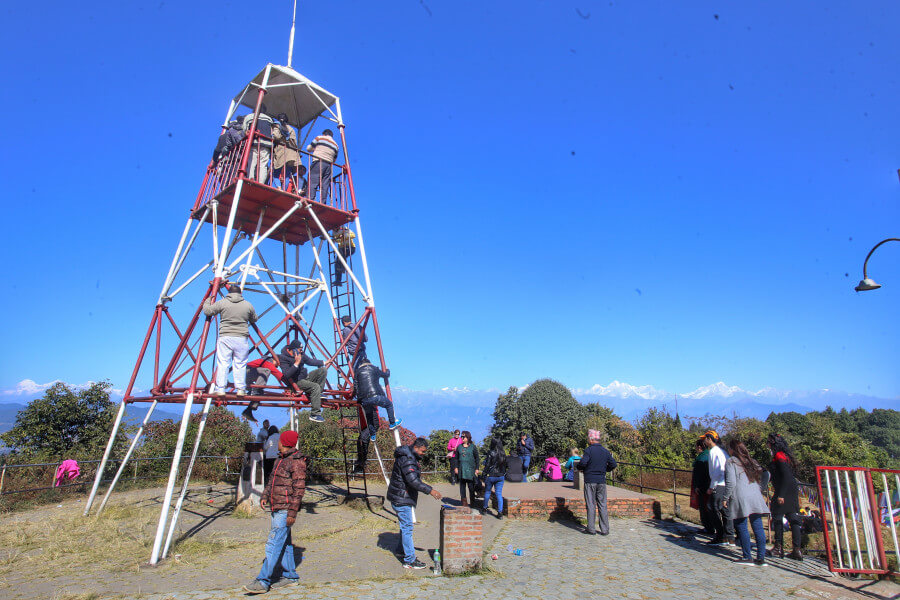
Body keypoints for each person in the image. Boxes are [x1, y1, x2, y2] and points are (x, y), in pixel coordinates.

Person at [243, 429, 307, 594]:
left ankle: (263, 580)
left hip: (285, 509)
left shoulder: (296, 462)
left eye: (279, 440)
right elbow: (272, 480)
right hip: (277, 505)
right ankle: (290, 576)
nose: (276, 442)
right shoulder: (281, 459)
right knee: (285, 544)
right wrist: (265, 495)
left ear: (284, 442)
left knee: (273, 544)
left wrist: (292, 513)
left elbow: (299, 490)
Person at [386, 437, 443, 569]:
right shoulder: (408, 459)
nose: (424, 454)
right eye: (423, 451)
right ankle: (410, 560)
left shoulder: (408, 456)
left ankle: (402, 551)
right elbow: (413, 481)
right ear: (416, 448)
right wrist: (431, 491)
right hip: (402, 498)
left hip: (399, 496)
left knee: (404, 526)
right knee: (407, 528)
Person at [203, 281, 258, 397]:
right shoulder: (248, 304)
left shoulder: (223, 302)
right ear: (240, 293)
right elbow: (254, 319)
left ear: (229, 293)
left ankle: (221, 388)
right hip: (241, 338)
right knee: (240, 364)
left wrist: (208, 301)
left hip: (225, 336)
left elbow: (208, 311)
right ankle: (240, 389)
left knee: (223, 363)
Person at [724, 438, 770, 566]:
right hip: (755, 495)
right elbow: (767, 474)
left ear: (732, 449)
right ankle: (761, 557)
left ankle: (747, 556)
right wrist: (761, 487)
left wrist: (725, 497)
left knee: (741, 526)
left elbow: (731, 482)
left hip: (741, 496)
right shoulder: (751, 461)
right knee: (758, 526)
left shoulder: (731, 462)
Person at [767, 433, 803, 560]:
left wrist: (781, 494)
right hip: (791, 488)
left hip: (784, 489)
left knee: (777, 517)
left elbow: (786, 476)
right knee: (793, 517)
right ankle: (796, 549)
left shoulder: (779, 456)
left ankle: (778, 547)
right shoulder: (787, 456)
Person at [577, 429, 617, 535]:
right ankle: (605, 529)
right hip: (601, 481)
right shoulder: (605, 451)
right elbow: (613, 464)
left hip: (590, 480)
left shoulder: (588, 450)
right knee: (602, 504)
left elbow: (583, 463)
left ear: (591, 439)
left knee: (591, 504)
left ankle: (591, 528)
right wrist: (605, 470)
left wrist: (581, 468)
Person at [278, 340, 329, 423]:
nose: (301, 351)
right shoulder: (283, 358)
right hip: (297, 382)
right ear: (293, 349)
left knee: (323, 370)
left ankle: (318, 393)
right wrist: (296, 363)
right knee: (315, 387)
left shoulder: (300, 353)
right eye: (299, 349)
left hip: (305, 377)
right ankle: (315, 414)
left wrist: (323, 362)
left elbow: (309, 361)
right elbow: (287, 375)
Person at [355, 359, 402, 441]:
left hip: (364, 400)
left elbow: (356, 387)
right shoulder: (374, 368)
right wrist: (387, 370)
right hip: (375, 396)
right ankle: (392, 423)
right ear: (369, 363)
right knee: (389, 405)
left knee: (369, 416)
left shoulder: (357, 372)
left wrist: (359, 399)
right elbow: (386, 375)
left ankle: (372, 435)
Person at [704, 430, 735, 546]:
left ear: (709, 439)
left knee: (712, 508)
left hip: (719, 484)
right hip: (726, 483)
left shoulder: (713, 452)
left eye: (705, 438)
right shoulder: (723, 451)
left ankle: (721, 535)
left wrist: (712, 486)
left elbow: (716, 471)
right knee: (725, 509)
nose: (704, 441)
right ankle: (729, 536)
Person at [243, 355, 283, 422]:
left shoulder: (266, 362)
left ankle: (248, 410)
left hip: (250, 375)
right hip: (248, 371)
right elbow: (278, 374)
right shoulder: (268, 362)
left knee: (260, 392)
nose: (276, 367)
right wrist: (291, 384)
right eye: (276, 365)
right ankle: (255, 391)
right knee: (266, 371)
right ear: (275, 360)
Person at [243, 105, 275, 183]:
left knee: (252, 161)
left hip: (254, 142)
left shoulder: (249, 116)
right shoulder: (269, 119)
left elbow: (244, 129)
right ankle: (261, 182)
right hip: (267, 144)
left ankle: (250, 178)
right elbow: (272, 133)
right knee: (263, 164)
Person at [304, 129, 339, 201]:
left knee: (313, 180)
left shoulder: (319, 138)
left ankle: (310, 199)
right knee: (325, 184)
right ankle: (323, 201)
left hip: (318, 161)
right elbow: (334, 159)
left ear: (324, 134)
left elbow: (309, 149)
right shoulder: (336, 145)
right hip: (329, 165)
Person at [691, 438, 716, 535]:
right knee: (709, 507)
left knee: (704, 507)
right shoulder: (709, 454)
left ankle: (708, 527)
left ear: (699, 447)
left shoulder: (701, 458)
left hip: (703, 486)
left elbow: (700, 474)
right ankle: (711, 526)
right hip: (709, 485)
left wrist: (697, 485)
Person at [272, 113, 300, 192]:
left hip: (281, 150)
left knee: (276, 174)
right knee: (287, 175)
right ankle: (284, 190)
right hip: (291, 151)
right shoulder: (291, 129)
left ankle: (279, 188)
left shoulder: (277, 126)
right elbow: (294, 141)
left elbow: (276, 136)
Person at [482, 437, 508, 519]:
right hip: (500, 476)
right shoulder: (503, 453)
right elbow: (506, 465)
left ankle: (485, 508)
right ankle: (500, 513)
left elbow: (488, 464)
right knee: (499, 494)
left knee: (487, 492)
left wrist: (484, 473)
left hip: (491, 475)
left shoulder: (491, 452)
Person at [455, 431, 480, 508]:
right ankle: (464, 503)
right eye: (461, 437)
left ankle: (472, 503)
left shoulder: (472, 447)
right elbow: (456, 458)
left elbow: (477, 458)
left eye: (463, 437)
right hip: (461, 471)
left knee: (471, 488)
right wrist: (456, 467)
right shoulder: (459, 447)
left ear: (468, 438)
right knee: (462, 488)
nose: (462, 438)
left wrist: (477, 468)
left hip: (470, 471)